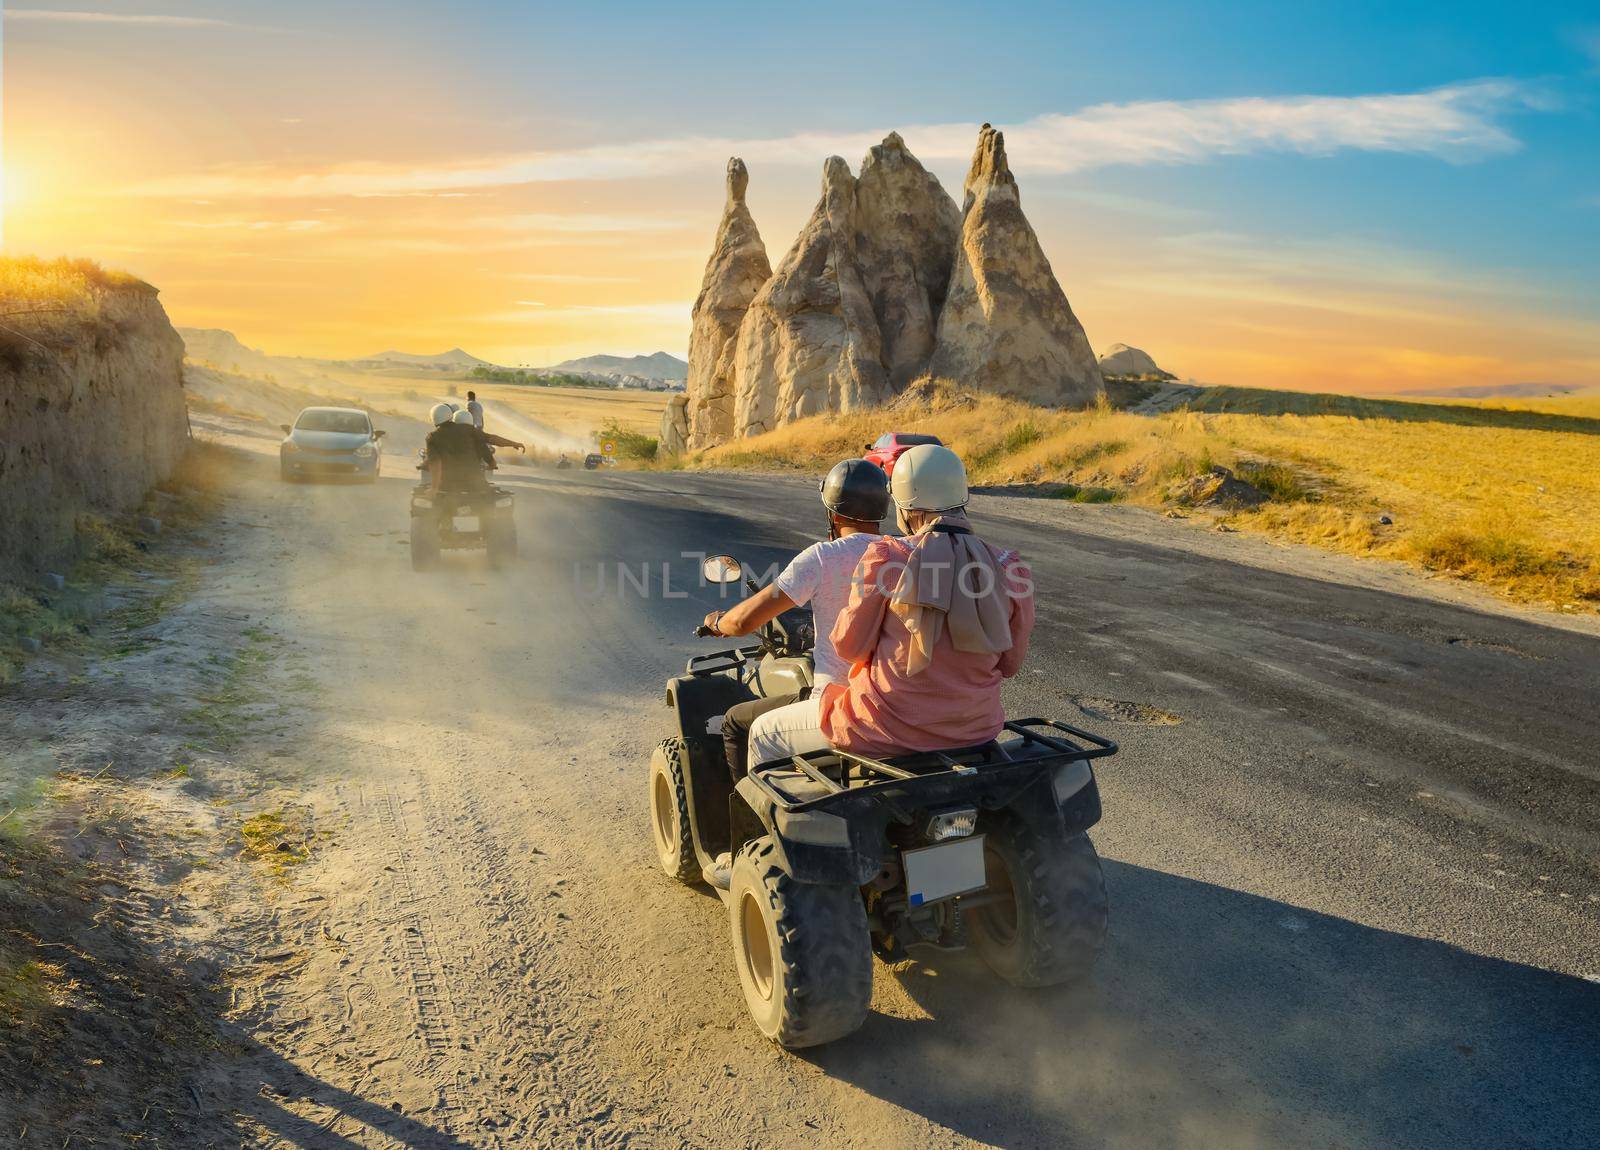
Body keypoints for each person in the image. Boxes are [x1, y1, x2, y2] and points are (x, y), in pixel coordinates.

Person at [813, 444, 1034, 760]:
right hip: (974, 732)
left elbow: (850, 648)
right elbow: (1009, 665)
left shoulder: (886, 558)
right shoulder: (1011, 568)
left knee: (761, 733)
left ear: (903, 505)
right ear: (961, 495)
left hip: (881, 731)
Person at [699, 459, 889, 779]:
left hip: (840, 707)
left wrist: (718, 623)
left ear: (833, 512)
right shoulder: (902, 552)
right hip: (893, 703)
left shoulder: (822, 557)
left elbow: (745, 620)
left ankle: (757, 821)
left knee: (736, 723)